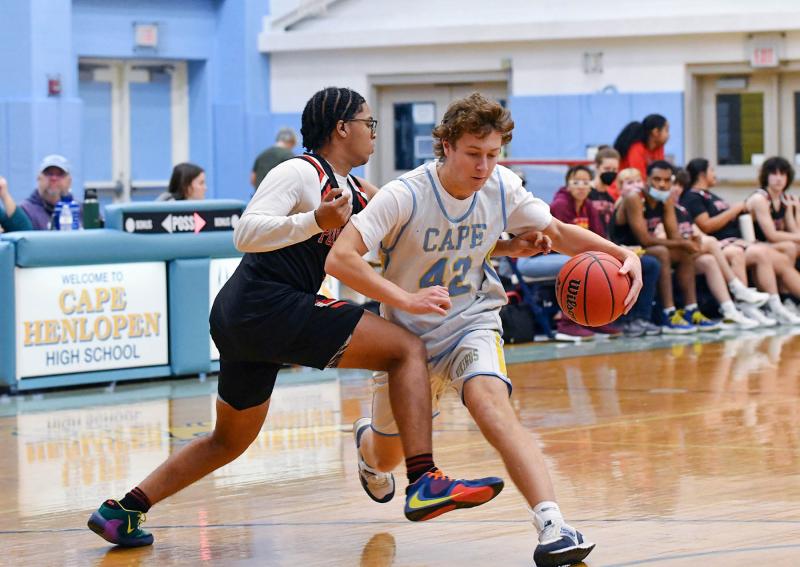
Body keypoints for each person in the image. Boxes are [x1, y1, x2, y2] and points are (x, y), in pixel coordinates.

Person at [87, 87, 503, 548]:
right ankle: (423, 478)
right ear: (341, 128)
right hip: (266, 302)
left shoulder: (356, 190)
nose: (374, 133)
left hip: (249, 318)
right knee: (406, 349)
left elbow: (419, 231)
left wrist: (504, 244)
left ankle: (123, 510)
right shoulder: (300, 171)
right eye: (368, 123)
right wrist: (314, 221)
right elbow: (246, 232)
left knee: (228, 441)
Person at [326, 92, 644, 567]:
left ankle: (553, 525)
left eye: (493, 154)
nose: (484, 166)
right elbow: (340, 258)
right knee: (386, 457)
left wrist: (620, 253)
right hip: (407, 342)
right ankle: (367, 446)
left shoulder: (501, 186)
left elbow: (557, 232)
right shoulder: (404, 194)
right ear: (446, 145)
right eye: (473, 153)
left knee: (492, 405)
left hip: (472, 320)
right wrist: (405, 299)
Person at [683, 158, 800, 325]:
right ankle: (752, 304)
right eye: (712, 170)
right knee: (763, 252)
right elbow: (706, 226)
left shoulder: (712, 195)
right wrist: (734, 210)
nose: (715, 174)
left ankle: (777, 304)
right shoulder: (693, 197)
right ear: (702, 174)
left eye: (783, 174)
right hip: (726, 243)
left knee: (781, 258)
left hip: (738, 240)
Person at [612, 161, 718, 333]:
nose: (662, 184)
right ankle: (667, 312)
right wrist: (682, 242)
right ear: (647, 179)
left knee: (685, 252)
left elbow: (674, 236)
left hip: (642, 249)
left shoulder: (666, 199)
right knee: (661, 252)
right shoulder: (634, 198)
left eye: (667, 180)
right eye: (657, 179)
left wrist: (689, 241)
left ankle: (691, 310)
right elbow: (645, 240)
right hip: (622, 249)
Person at [19, 154, 76, 230]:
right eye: (48, 173)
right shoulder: (24, 212)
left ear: (69, 181)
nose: (54, 178)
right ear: (38, 178)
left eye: (60, 174)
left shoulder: (81, 211)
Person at [613, 114, 669, 182]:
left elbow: (661, 172)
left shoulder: (659, 147)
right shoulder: (637, 148)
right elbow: (639, 177)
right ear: (656, 132)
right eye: (666, 130)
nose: (669, 135)